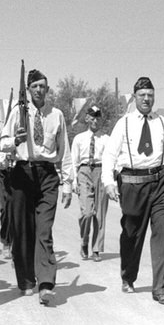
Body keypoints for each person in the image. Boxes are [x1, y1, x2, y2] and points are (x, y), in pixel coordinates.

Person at [103, 76, 164, 306]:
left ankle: (161, 289)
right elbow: (109, 154)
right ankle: (128, 276)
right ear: (134, 97)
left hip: (161, 183)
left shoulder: (163, 123)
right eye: (142, 95)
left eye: (150, 95)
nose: (146, 99)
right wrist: (108, 182)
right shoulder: (125, 123)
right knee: (132, 234)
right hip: (132, 183)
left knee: (162, 235)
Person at [0, 68, 73, 306]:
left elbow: (65, 151)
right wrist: (16, 140)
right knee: (22, 230)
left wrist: (69, 183)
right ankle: (25, 279)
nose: (39, 90)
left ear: (48, 90)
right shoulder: (17, 113)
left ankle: (46, 283)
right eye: (35, 87)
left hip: (47, 175)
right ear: (28, 90)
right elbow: (2, 143)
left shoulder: (57, 115)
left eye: (43, 86)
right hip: (22, 173)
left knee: (44, 230)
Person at [70, 104, 110, 262]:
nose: (95, 121)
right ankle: (84, 240)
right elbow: (73, 161)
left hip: (101, 172)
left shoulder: (106, 139)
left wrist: (109, 180)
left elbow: (110, 160)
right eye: (92, 117)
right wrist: (73, 181)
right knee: (87, 212)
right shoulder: (79, 138)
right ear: (87, 119)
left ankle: (96, 249)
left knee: (100, 214)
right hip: (84, 171)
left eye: (98, 118)